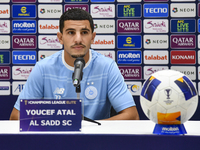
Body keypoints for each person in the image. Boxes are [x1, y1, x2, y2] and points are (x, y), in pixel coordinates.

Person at [10, 8, 139, 120]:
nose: (78, 39)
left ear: (93, 37)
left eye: (84, 32)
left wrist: (86, 127)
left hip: (95, 143)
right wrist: (59, 124)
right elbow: (16, 117)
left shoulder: (107, 67)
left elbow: (132, 116)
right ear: (60, 37)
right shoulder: (43, 68)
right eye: (71, 32)